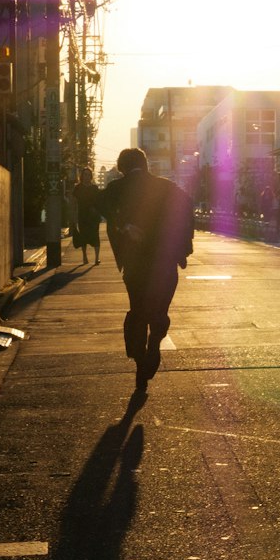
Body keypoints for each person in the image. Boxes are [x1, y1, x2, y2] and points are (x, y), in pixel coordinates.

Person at [101, 147, 195, 392]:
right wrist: (184, 247)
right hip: (165, 261)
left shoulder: (116, 189)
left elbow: (100, 206)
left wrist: (124, 225)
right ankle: (155, 341)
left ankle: (140, 356)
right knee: (160, 308)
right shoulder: (168, 188)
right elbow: (188, 207)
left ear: (122, 167)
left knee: (138, 308)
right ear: (146, 164)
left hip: (135, 263)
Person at [71, 168, 102, 265]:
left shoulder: (95, 188)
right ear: (82, 176)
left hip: (93, 216)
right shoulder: (78, 188)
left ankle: (97, 258)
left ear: (91, 176)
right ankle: (84, 256)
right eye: (85, 174)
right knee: (83, 236)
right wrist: (73, 217)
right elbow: (74, 203)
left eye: (88, 175)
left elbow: (99, 202)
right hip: (82, 215)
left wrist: (98, 211)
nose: (87, 177)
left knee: (95, 236)